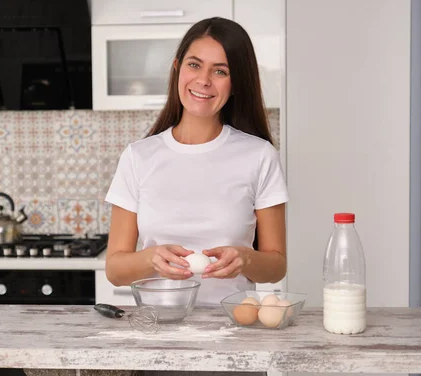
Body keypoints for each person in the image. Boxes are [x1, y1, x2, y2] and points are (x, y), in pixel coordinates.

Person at [104, 17, 288, 305]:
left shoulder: (260, 156)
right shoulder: (138, 157)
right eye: (194, 64)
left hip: (233, 330)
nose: (203, 80)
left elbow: (276, 267)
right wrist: (151, 259)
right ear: (177, 68)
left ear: (236, 83)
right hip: (158, 328)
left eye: (220, 71)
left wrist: (245, 259)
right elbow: (115, 270)